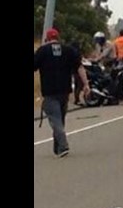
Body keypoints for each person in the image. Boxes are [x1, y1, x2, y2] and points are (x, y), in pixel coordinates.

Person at [34, 28, 89, 157]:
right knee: (60, 119)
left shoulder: (43, 51)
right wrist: (86, 84)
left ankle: (63, 146)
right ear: (58, 38)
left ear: (47, 39)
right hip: (65, 90)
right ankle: (57, 148)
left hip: (50, 91)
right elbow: (80, 67)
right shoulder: (68, 50)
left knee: (55, 120)